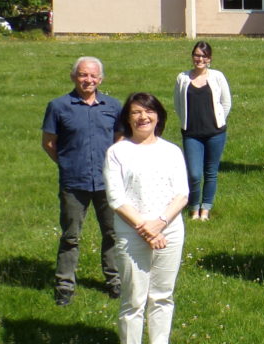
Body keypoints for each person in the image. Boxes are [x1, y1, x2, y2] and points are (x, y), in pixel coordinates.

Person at [104, 92, 189, 344]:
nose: (143, 117)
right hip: (132, 232)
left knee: (162, 295)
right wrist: (146, 228)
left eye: (149, 111)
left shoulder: (171, 151)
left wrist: (160, 224)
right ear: (128, 119)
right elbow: (116, 198)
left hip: (169, 231)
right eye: (136, 112)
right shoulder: (117, 152)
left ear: (158, 116)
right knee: (133, 300)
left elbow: (182, 194)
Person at [42, 56, 122, 306]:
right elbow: (49, 143)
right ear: (73, 77)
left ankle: (115, 280)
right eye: (83, 74)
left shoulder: (113, 106)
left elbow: (120, 139)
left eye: (93, 75)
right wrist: (67, 163)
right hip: (74, 182)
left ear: (101, 79)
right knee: (70, 236)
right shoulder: (58, 106)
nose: (88, 79)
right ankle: (65, 285)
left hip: (107, 182)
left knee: (113, 233)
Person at [173, 42, 232, 221]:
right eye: (197, 55)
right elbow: (178, 105)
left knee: (211, 172)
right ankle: (193, 208)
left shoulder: (217, 77)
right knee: (194, 174)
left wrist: (218, 121)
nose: (200, 59)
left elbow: (226, 103)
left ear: (209, 59)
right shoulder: (182, 78)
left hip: (215, 133)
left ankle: (205, 209)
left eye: (204, 56)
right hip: (192, 134)